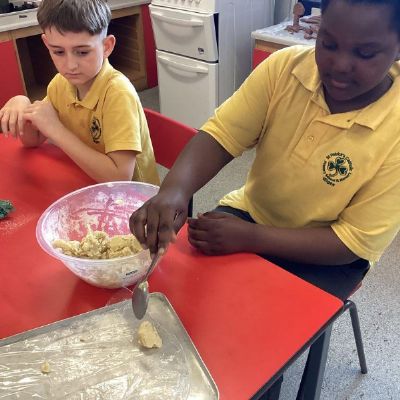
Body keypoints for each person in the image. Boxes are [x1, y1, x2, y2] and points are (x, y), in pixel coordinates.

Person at [130, 0, 400, 397]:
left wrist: (250, 238)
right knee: (189, 301)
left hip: (331, 255)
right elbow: (222, 135)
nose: (340, 65)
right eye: (328, 43)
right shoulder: (285, 69)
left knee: (259, 348)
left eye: (365, 53)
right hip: (252, 214)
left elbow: (352, 242)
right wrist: (173, 192)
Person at [0, 0, 159, 185]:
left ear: (107, 46)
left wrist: (56, 130)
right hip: (88, 183)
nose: (70, 66)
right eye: (58, 52)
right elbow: (33, 140)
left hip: (133, 197)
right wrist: (22, 105)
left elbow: (120, 178)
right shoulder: (60, 84)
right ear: (46, 44)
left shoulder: (118, 93)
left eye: (82, 52)